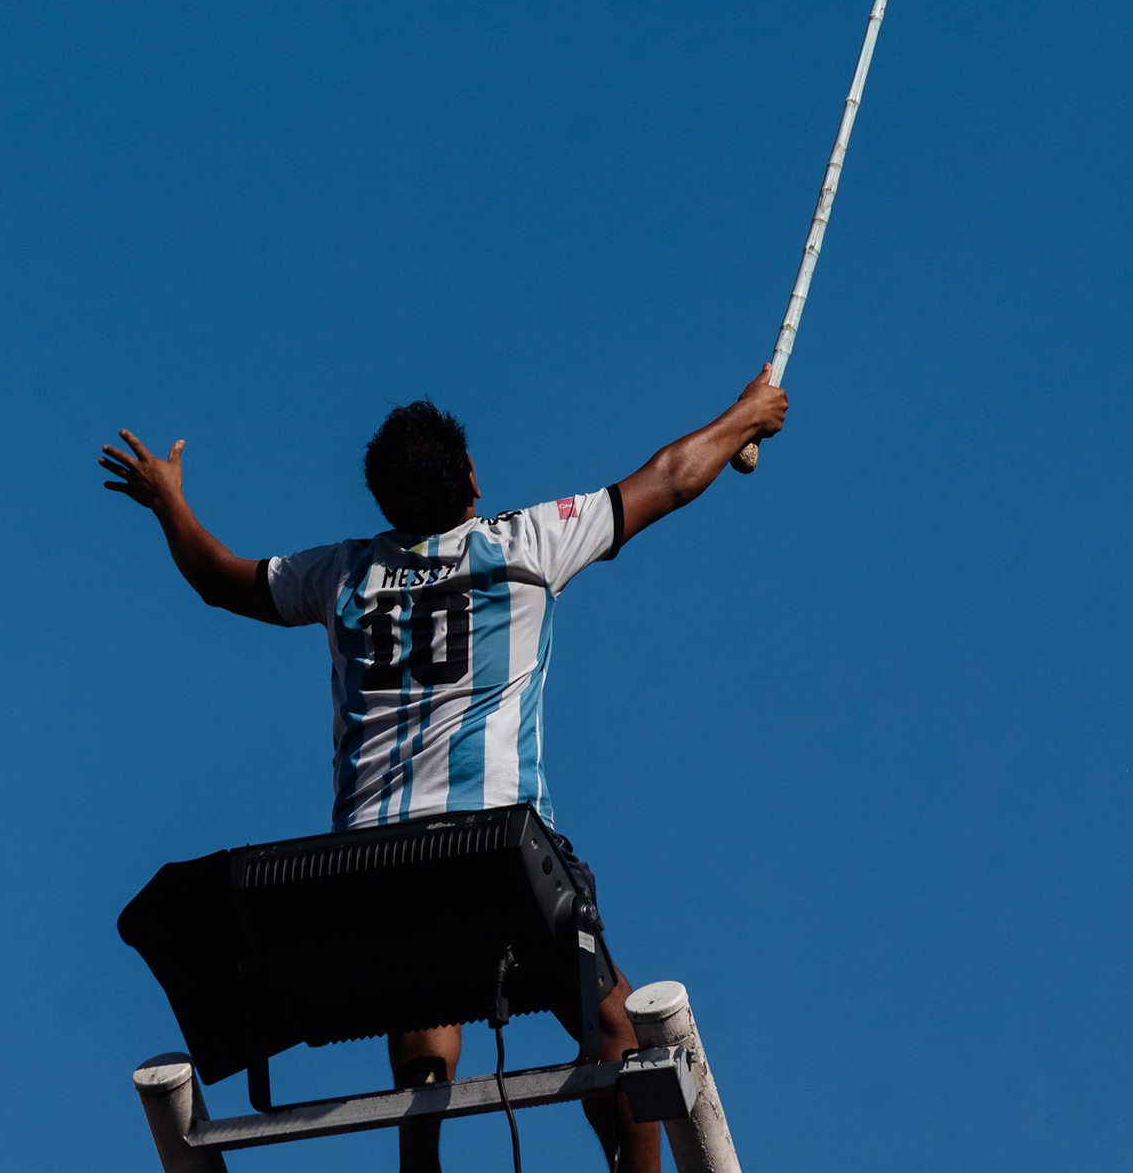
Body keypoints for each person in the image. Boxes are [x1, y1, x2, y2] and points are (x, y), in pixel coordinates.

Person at [100, 371, 788, 1173]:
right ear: (470, 480)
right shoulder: (525, 543)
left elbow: (221, 577)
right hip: (501, 866)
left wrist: (166, 500)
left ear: (384, 502)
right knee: (614, 1029)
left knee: (420, 956)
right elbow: (671, 475)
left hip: (354, 888)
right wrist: (748, 412)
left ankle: (418, 1159)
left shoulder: (340, 575)